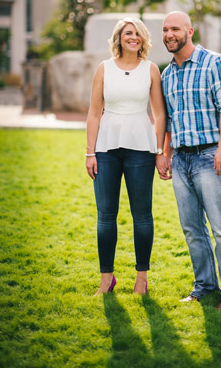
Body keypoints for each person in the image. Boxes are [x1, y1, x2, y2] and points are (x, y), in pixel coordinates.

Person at [157, 11, 221, 311]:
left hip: (210, 156)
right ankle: (205, 286)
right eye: (165, 29)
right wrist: (166, 155)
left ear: (190, 31)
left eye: (175, 29)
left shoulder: (215, 63)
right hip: (181, 160)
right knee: (192, 229)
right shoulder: (167, 74)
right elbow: (168, 121)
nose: (169, 34)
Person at [85, 17, 166, 296]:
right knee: (105, 215)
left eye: (138, 34)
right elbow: (94, 112)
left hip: (141, 149)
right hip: (106, 149)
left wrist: (159, 152)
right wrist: (89, 152)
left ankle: (141, 279)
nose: (134, 38)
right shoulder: (103, 69)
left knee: (142, 215)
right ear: (118, 38)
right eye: (128, 33)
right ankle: (107, 278)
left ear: (143, 40)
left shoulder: (151, 70)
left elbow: (159, 114)